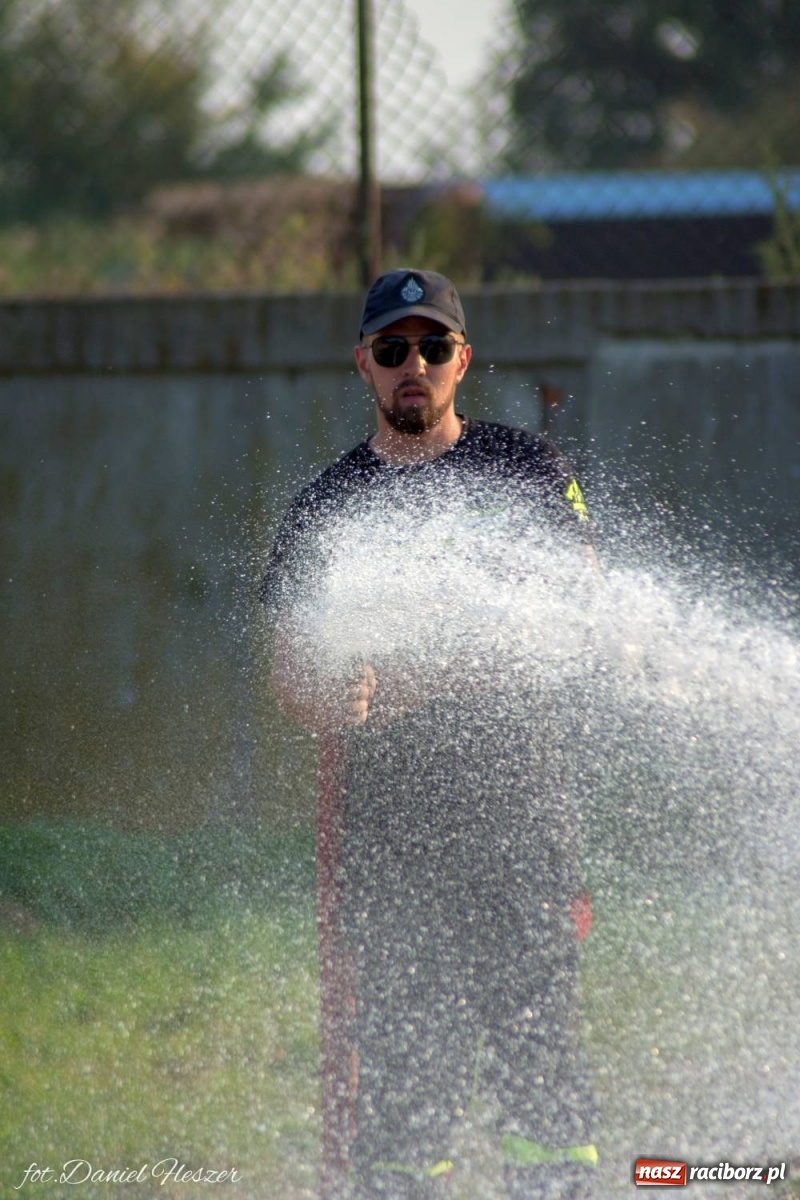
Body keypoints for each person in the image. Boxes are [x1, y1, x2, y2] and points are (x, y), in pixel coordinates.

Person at [261, 269, 598, 1200]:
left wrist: (409, 677)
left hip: (521, 825)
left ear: (464, 360)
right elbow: (290, 673)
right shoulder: (326, 506)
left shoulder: (525, 468)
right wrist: (327, 692)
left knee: (543, 1062)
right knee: (407, 1079)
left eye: (434, 347)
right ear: (362, 363)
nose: (416, 366)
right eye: (394, 349)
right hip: (392, 844)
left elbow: (576, 618)